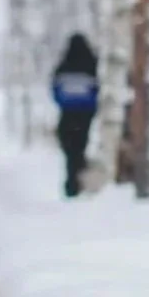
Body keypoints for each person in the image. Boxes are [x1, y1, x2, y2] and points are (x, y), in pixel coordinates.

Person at [51, 33, 100, 197]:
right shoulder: (92, 64)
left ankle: (73, 182)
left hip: (67, 114)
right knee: (80, 147)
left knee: (70, 150)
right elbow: (98, 89)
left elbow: (55, 89)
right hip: (85, 115)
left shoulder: (63, 66)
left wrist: (64, 102)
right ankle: (79, 180)